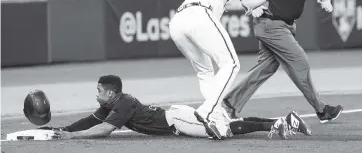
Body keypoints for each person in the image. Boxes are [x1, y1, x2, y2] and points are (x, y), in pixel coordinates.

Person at [222, 0, 343, 124]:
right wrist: (250, 3)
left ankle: (228, 105)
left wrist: (326, 1)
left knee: (265, 68)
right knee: (300, 62)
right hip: (270, 24)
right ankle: (321, 110)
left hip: (287, 25)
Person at [168, 0, 285, 139]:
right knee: (231, 64)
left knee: (205, 72)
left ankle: (213, 115)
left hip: (177, 24)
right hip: (198, 14)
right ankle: (207, 111)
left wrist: (255, 2)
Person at [39, 75, 311, 140]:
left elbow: (105, 130)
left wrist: (71, 137)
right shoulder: (114, 102)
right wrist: (62, 129)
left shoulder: (122, 103)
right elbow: (91, 120)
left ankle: (276, 124)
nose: (96, 94)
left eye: (99, 91)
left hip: (177, 121)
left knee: (222, 132)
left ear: (110, 92)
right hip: (177, 117)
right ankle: (281, 121)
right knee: (224, 125)